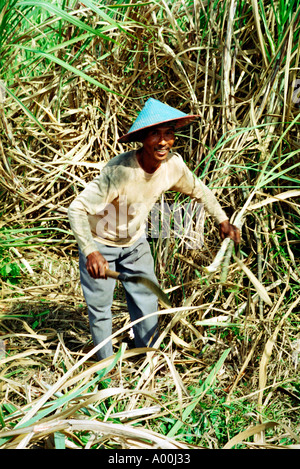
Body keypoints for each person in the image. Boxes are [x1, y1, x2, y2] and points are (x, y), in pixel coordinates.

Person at [68, 98, 240, 360]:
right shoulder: (119, 172)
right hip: (100, 242)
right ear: (143, 139)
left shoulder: (173, 166)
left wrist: (222, 219)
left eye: (168, 134)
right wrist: (91, 251)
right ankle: (104, 370)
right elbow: (76, 209)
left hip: (135, 244)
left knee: (147, 301)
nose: (162, 141)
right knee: (101, 310)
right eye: (154, 134)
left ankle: (146, 357)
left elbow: (199, 190)